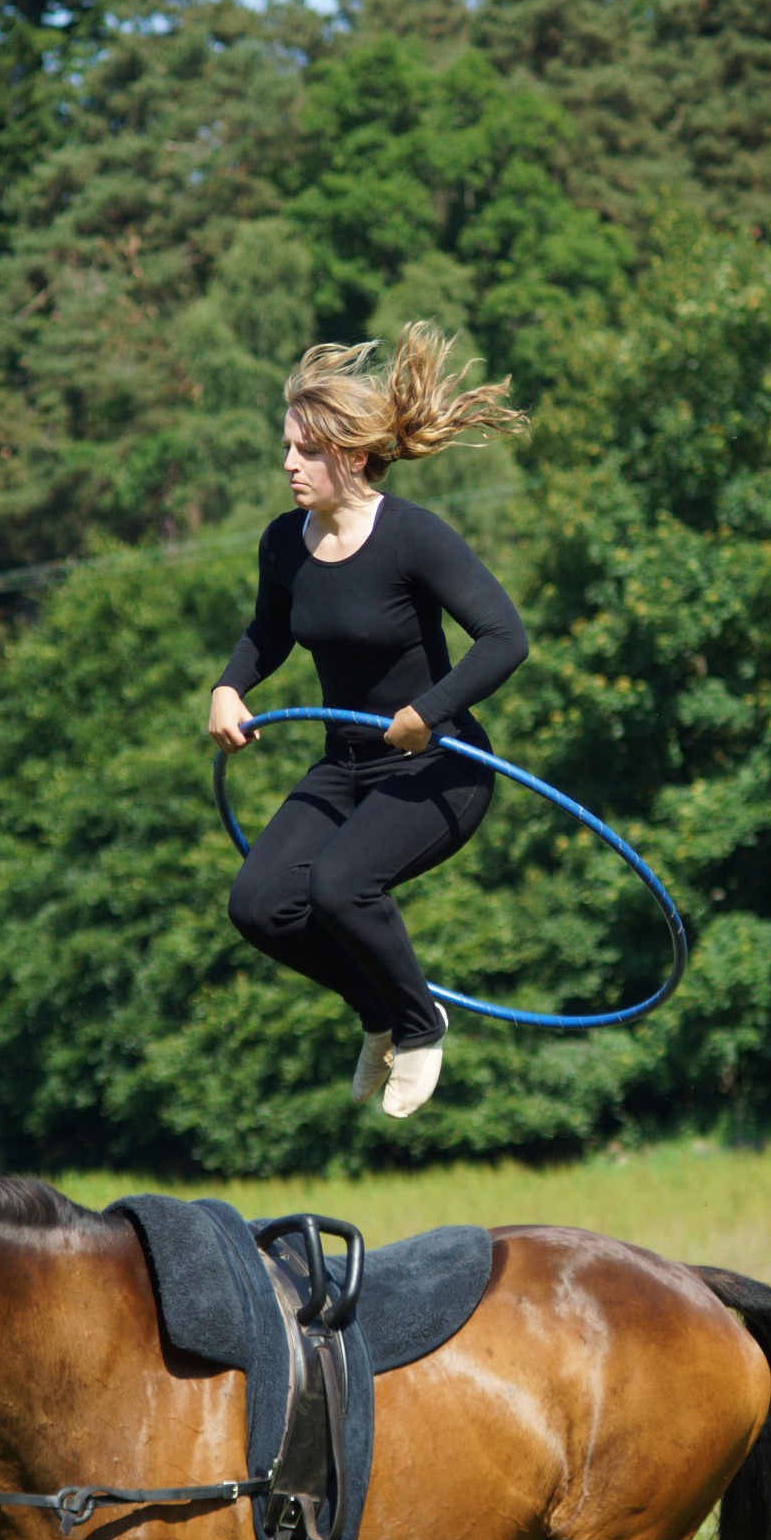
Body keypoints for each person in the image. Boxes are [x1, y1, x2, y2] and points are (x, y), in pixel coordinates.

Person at [209, 324, 528, 1118]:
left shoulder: (412, 537)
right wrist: (229, 686)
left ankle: (421, 1028)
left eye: (303, 450)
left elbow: (506, 638)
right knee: (259, 905)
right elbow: (268, 632)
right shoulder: (286, 542)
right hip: (345, 764)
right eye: (285, 447)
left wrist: (430, 711)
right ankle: (381, 1012)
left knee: (341, 886)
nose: (287, 464)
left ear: (350, 457)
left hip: (441, 766)